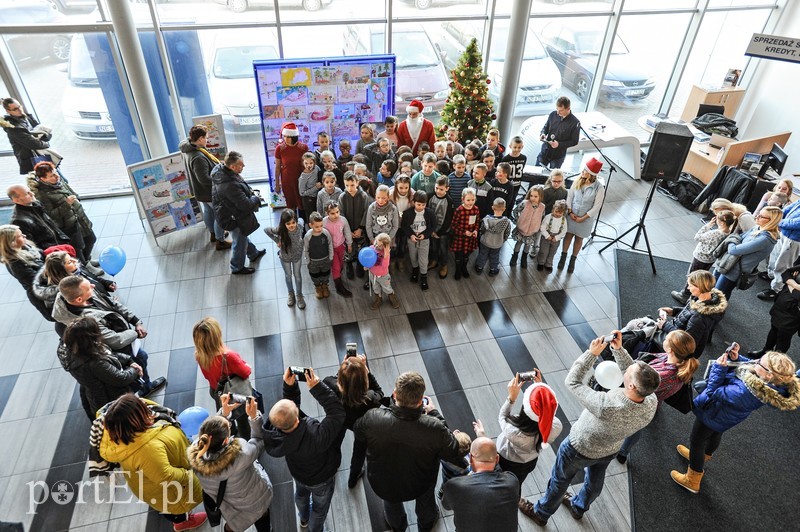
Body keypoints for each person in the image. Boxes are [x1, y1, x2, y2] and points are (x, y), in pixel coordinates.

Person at [519, 332, 660, 526]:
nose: (626, 369)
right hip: (611, 448)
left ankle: (541, 513)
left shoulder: (606, 405)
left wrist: (590, 354)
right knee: (595, 480)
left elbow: (573, 382)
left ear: (631, 385)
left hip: (579, 448)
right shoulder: (651, 400)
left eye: (629, 371)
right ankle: (579, 506)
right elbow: (633, 373)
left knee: (560, 480)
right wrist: (618, 350)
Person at [671, 348, 800, 493]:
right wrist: (737, 357)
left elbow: (713, 391)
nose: (756, 361)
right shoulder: (771, 384)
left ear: (769, 375)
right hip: (725, 417)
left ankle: (693, 479)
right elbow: (751, 365)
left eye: (760, 362)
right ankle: (702, 456)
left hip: (713, 412)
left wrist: (719, 368)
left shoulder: (744, 393)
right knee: (715, 434)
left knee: (697, 441)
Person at [353, 371, 462, 532]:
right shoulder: (434, 428)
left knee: (391, 505)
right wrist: (434, 413)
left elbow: (358, 431)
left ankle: (398, 526)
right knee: (426, 505)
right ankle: (425, 525)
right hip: (421, 481)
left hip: (385, 482)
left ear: (395, 394)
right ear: (421, 401)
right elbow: (453, 450)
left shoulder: (373, 418)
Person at [98, 394, 206, 531]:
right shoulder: (146, 449)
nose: (147, 407)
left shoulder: (119, 431)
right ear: (135, 418)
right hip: (172, 489)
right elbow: (166, 475)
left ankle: (168, 510)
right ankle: (182, 522)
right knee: (176, 510)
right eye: (141, 408)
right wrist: (191, 476)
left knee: (164, 503)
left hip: (150, 485)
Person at [53, 275, 166, 396]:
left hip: (123, 341)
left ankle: (145, 387)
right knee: (137, 365)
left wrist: (136, 321)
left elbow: (112, 304)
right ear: (79, 300)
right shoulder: (87, 320)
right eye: (89, 288)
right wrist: (135, 333)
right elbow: (116, 341)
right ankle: (139, 393)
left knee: (141, 358)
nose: (93, 286)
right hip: (116, 352)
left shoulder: (84, 294)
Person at [262, 367, 345, 532]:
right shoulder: (316, 435)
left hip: (299, 474)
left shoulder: (277, 436)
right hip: (322, 478)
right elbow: (337, 414)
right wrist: (317, 387)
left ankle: (304, 519)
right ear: (297, 420)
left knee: (301, 495)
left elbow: (290, 413)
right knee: (320, 509)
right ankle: (316, 529)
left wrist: (289, 387)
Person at [188, 395, 273, 532]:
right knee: (262, 515)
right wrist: (254, 417)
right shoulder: (241, 455)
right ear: (226, 441)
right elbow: (258, 441)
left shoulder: (195, 455)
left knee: (233, 526)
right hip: (252, 498)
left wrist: (223, 413)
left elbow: (211, 435)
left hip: (228, 504)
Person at [616, 330, 698, 463]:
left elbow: (637, 383)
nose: (663, 339)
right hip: (656, 398)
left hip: (641, 402)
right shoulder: (676, 360)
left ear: (670, 349)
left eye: (666, 338)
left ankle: (622, 452)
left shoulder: (664, 376)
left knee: (636, 427)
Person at [480, 373, 561, 490]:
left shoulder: (513, 431)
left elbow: (502, 416)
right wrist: (540, 391)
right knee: (517, 483)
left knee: (500, 481)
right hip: (529, 462)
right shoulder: (556, 426)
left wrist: (511, 397)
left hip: (506, 460)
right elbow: (546, 414)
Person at [322, 353, 384, 488]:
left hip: (339, 420)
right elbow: (380, 392)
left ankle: (333, 465)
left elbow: (336, 381)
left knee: (335, 441)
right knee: (359, 453)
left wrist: (344, 369)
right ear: (364, 382)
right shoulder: (371, 398)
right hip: (361, 426)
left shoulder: (328, 383)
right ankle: (353, 478)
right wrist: (367, 372)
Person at [62, 316, 142, 420]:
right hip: (111, 397)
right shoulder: (94, 362)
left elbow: (107, 354)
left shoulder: (76, 349)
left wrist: (128, 360)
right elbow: (120, 378)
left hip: (94, 395)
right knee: (126, 420)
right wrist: (135, 369)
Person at [193, 316, 255, 438]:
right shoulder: (228, 356)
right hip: (235, 394)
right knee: (243, 420)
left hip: (216, 391)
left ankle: (231, 433)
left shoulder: (199, 355)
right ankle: (246, 441)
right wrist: (247, 365)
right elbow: (246, 372)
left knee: (226, 415)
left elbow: (207, 375)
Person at [442, 437, 520, 532]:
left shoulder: (455, 486)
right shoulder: (512, 481)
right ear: (497, 459)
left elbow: (446, 505)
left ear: (470, 458)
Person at [28, 161, 96, 263]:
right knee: (78, 248)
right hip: (68, 225)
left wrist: (76, 198)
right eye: (51, 176)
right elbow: (50, 215)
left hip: (79, 218)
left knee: (90, 239)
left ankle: (87, 260)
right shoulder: (42, 195)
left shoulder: (58, 182)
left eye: (56, 173)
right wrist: (67, 204)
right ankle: (85, 265)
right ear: (43, 179)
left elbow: (70, 191)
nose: (56, 176)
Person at [211, 151, 267, 275]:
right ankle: (237, 267)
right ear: (232, 166)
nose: (244, 166)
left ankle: (253, 253)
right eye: (241, 164)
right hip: (233, 218)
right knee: (239, 241)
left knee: (242, 236)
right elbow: (245, 205)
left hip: (227, 213)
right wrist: (256, 198)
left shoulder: (219, 171)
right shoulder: (230, 185)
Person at [713, 205, 782, 301]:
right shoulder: (757, 228)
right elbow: (739, 237)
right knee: (715, 290)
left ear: (771, 221)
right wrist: (734, 240)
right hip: (727, 263)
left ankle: (714, 314)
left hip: (735, 271)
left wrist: (731, 240)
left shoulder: (765, 239)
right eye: (758, 214)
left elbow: (734, 249)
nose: (756, 216)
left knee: (719, 295)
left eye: (761, 216)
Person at [179, 124, 231, 249]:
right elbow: (204, 179)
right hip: (208, 192)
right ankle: (220, 240)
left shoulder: (189, 147)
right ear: (200, 138)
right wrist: (221, 180)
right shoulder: (198, 157)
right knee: (220, 215)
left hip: (199, 192)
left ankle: (213, 234)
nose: (207, 140)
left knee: (209, 211)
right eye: (206, 138)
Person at [657, 270, 728, 358]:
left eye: (690, 285)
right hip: (679, 334)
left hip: (679, 351)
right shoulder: (706, 299)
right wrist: (673, 311)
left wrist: (665, 326)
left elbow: (685, 342)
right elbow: (690, 312)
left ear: (699, 287)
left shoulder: (699, 318)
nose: (687, 288)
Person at [671, 210, 735, 304]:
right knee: (701, 277)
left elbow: (697, 237)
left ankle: (684, 295)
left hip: (700, 257)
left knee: (692, 276)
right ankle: (694, 298)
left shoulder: (715, 233)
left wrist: (708, 225)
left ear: (721, 222)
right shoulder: (728, 233)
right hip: (710, 259)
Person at [559, 157, 605, 273]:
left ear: (591, 174)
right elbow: (570, 196)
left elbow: (597, 206)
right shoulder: (578, 180)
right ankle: (563, 257)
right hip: (572, 214)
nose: (582, 172)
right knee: (568, 236)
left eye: (585, 170)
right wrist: (570, 211)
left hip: (585, 219)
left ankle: (572, 260)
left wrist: (583, 218)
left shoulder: (599, 188)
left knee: (579, 239)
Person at [34, 250, 116, 314]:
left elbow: (93, 277)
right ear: (62, 270)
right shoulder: (69, 289)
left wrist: (106, 284)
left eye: (71, 258)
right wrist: (109, 304)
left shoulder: (77, 269)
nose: (74, 261)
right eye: (69, 262)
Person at [749, 256, 800, 356]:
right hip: (783, 302)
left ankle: (775, 362)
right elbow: (786, 273)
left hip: (795, 311)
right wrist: (795, 286)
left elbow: (797, 295)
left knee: (784, 336)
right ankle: (766, 351)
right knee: (774, 327)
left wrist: (790, 283)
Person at [0, 224, 52, 320]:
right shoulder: (15, 263)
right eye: (20, 236)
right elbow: (37, 280)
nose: (24, 236)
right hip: (44, 295)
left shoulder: (26, 247)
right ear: (11, 243)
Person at [758, 198, 800, 301]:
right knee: (774, 257)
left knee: (782, 265)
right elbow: (785, 210)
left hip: (794, 239)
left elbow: (797, 223)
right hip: (784, 233)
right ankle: (772, 276)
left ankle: (776, 290)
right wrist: (778, 217)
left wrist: (778, 221)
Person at [7, 184, 71, 251]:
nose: (32, 194)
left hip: (60, 246)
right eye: (27, 194)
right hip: (51, 253)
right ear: (16, 200)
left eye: (30, 191)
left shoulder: (36, 205)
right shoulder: (19, 220)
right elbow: (30, 246)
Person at [265, 210, 306, 309]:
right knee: (288, 276)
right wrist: (277, 240)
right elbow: (266, 230)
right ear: (284, 224)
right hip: (285, 257)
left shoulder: (300, 226)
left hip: (297, 256)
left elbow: (301, 219)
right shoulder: (280, 230)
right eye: (288, 224)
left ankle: (299, 295)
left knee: (298, 276)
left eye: (293, 222)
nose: (291, 225)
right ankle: (291, 294)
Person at [1, 97, 53, 175]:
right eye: (15, 109)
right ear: (8, 111)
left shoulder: (27, 116)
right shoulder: (12, 127)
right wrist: (46, 143)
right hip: (32, 161)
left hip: (41, 156)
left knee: (57, 179)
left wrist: (47, 136)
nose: (19, 110)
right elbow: (33, 144)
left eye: (19, 106)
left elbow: (44, 131)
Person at [401, 190, 435, 290]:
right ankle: (415, 270)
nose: (420, 207)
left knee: (423, 259)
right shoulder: (408, 213)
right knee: (413, 257)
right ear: (414, 202)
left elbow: (433, 226)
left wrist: (424, 235)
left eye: (423, 205)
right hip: (412, 240)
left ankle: (424, 276)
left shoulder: (429, 213)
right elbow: (404, 226)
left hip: (424, 240)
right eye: (418, 204)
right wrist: (411, 235)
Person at [339, 172, 371, 280]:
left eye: (352, 185)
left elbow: (366, 212)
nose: (349, 188)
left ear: (357, 183)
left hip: (360, 229)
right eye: (346, 185)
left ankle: (359, 264)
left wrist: (360, 229)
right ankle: (348, 265)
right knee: (349, 248)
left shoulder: (363, 196)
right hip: (347, 229)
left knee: (361, 247)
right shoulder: (342, 197)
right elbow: (341, 214)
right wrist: (348, 231)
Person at [274, 122, 310, 215]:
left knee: (302, 203)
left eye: (288, 137)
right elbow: (277, 167)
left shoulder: (303, 147)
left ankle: (304, 224)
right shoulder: (280, 149)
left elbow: (309, 163)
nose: (285, 139)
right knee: (290, 204)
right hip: (287, 180)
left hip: (302, 180)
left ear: (294, 137)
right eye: (284, 136)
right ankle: (293, 224)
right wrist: (277, 184)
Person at [536, 96, 580, 170]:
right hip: (545, 152)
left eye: (561, 110)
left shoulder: (575, 122)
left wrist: (559, 144)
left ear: (568, 109)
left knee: (552, 179)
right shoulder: (553, 114)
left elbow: (574, 141)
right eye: (557, 109)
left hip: (558, 157)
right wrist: (543, 134)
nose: (557, 112)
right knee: (535, 173)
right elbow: (545, 127)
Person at [323, 201, 354, 298]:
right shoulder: (324, 222)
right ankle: (339, 287)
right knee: (335, 266)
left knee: (340, 264)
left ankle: (337, 275)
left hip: (341, 246)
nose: (336, 215)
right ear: (327, 213)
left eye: (337, 212)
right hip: (330, 249)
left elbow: (347, 232)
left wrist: (349, 244)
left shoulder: (343, 220)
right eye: (332, 213)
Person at [510, 185, 546, 268]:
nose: (533, 198)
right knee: (518, 243)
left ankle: (524, 258)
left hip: (532, 231)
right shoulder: (525, 203)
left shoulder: (542, 207)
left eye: (535, 196)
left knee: (528, 245)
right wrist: (518, 220)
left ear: (540, 196)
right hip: (521, 229)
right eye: (531, 195)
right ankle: (514, 256)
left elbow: (542, 217)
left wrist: (538, 225)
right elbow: (515, 211)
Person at [474, 198, 511, 276]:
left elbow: (482, 230)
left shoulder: (486, 219)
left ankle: (479, 267)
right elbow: (507, 233)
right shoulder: (506, 222)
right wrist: (503, 240)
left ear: (492, 207)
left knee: (483, 254)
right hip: (497, 243)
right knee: (495, 255)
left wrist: (481, 235)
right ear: (504, 209)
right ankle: (493, 269)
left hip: (485, 242)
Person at [450, 187, 481, 280]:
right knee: (459, 256)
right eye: (468, 200)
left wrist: (475, 230)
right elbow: (454, 225)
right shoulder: (459, 210)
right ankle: (458, 269)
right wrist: (464, 232)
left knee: (466, 256)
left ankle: (464, 267)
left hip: (470, 238)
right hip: (460, 238)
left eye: (473, 199)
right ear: (463, 199)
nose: (471, 202)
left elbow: (477, 222)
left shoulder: (476, 209)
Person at [428, 176, 455, 279]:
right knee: (434, 247)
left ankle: (444, 265)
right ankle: (434, 261)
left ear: (447, 188)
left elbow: (449, 219)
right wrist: (431, 230)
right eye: (437, 188)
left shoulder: (449, 201)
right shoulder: (430, 196)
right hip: (432, 229)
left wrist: (439, 233)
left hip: (443, 231)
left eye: (441, 189)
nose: (438, 191)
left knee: (443, 248)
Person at [303, 212, 334, 299]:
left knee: (326, 273)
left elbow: (330, 244)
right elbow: (306, 249)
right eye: (317, 227)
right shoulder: (308, 236)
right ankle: (318, 287)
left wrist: (331, 257)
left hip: (325, 259)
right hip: (313, 261)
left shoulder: (326, 233)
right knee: (315, 275)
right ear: (310, 225)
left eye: (321, 226)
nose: (319, 228)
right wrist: (308, 261)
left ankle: (325, 286)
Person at [367, 232, 400, 310]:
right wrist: (366, 266)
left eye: (381, 245)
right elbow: (367, 258)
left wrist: (386, 255)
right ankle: (378, 300)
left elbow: (385, 266)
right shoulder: (371, 248)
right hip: (372, 274)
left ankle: (392, 298)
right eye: (377, 243)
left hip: (383, 276)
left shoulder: (386, 254)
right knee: (375, 288)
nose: (378, 246)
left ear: (386, 246)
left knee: (387, 288)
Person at [389, 176, 414, 272]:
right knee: (393, 244)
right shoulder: (391, 195)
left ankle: (401, 259)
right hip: (394, 224)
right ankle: (392, 260)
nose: (403, 190)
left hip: (405, 224)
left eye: (406, 188)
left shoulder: (412, 195)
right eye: (401, 188)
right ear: (396, 186)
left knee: (402, 244)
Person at [537, 200, 569, 272]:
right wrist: (547, 235)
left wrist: (557, 237)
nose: (557, 214)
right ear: (553, 209)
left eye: (560, 213)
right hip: (546, 236)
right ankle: (541, 263)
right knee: (543, 251)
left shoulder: (564, 220)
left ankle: (548, 264)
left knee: (552, 252)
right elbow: (542, 227)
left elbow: (564, 230)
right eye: (556, 211)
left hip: (556, 238)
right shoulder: (548, 217)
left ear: (563, 213)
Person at [299, 152, 322, 221]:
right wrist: (316, 188)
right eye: (306, 163)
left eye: (311, 163)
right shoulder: (303, 177)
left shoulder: (316, 168)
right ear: (303, 163)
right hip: (308, 200)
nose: (309, 165)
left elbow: (321, 174)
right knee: (311, 218)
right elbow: (302, 193)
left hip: (317, 197)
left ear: (314, 163)